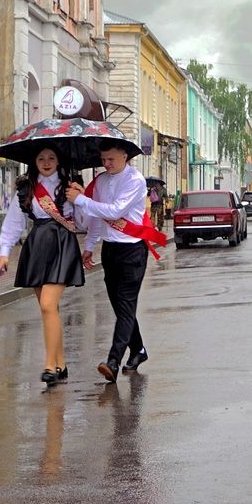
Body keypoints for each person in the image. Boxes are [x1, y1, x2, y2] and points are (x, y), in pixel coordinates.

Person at [67, 140, 164, 383]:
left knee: (126, 305)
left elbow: (114, 211)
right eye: (103, 159)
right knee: (121, 308)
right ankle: (138, 349)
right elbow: (97, 217)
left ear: (124, 156)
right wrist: (89, 246)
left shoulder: (135, 180)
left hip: (132, 250)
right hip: (110, 250)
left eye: (111, 159)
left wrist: (80, 199)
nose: (106, 163)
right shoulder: (101, 181)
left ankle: (113, 361)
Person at [0, 145, 84, 386]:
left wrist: (81, 199)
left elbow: (83, 222)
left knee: (47, 304)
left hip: (62, 245)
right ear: (34, 161)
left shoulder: (69, 186)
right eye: (41, 158)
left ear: (58, 161)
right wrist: (4, 253)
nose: (46, 162)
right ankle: (61, 363)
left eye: (51, 158)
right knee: (50, 309)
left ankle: (49, 366)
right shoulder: (27, 188)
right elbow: (14, 222)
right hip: (37, 246)